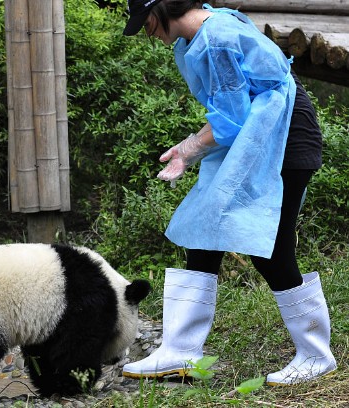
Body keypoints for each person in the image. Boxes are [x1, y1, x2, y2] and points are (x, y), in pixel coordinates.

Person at [120, 0, 337, 386]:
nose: (148, 32)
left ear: (162, 9)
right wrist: (192, 149)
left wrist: (188, 148)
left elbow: (231, 118)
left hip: (285, 137)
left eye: (147, 22)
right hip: (257, 133)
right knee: (204, 228)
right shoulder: (207, 30)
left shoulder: (214, 38)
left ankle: (316, 356)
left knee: (272, 252)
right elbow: (234, 112)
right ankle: (180, 352)